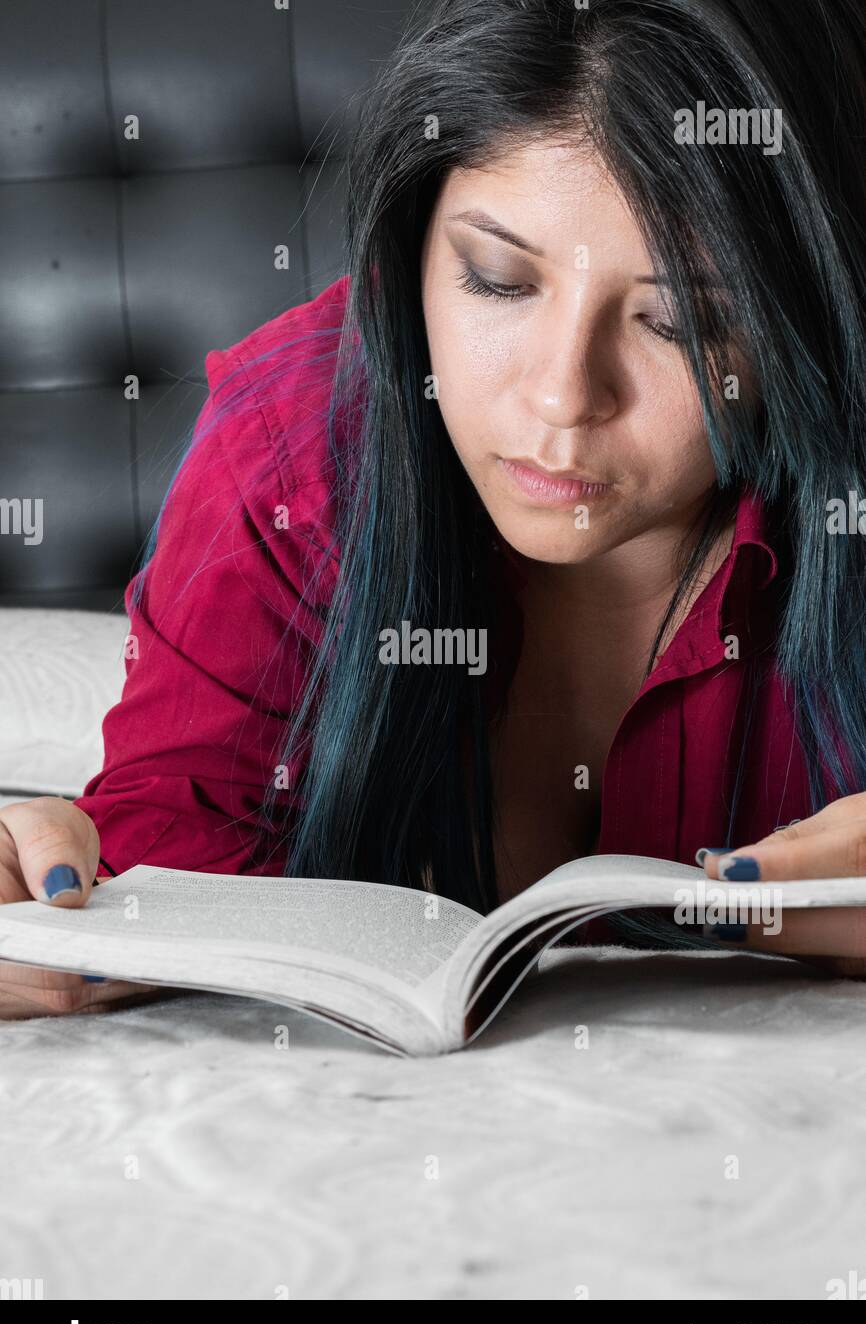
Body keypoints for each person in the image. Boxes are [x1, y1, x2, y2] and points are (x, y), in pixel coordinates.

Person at [3, 0, 866, 1019]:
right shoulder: (293, 449)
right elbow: (161, 865)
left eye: (677, 319)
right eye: (497, 280)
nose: (558, 398)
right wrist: (48, 908)